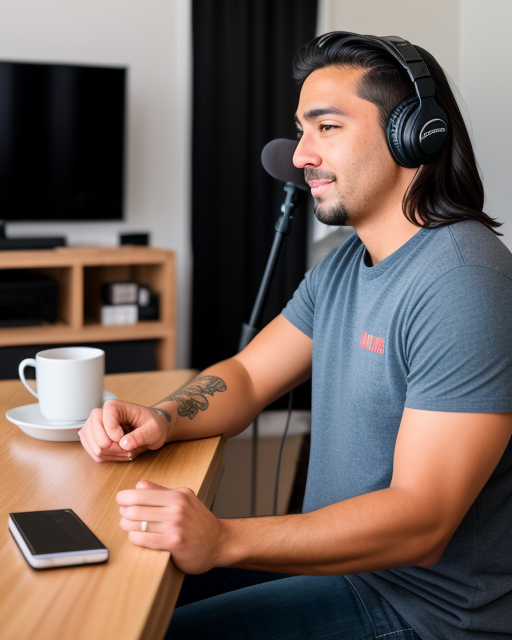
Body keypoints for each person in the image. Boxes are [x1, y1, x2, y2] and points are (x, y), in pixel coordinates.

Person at [78, 32, 512, 640]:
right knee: (113, 589)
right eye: (301, 131)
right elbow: (252, 374)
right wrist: (164, 416)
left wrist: (223, 538)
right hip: (343, 572)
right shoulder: (343, 263)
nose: (300, 155)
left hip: (423, 612)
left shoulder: (463, 283)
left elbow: (423, 520)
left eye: (325, 128)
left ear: (414, 135)